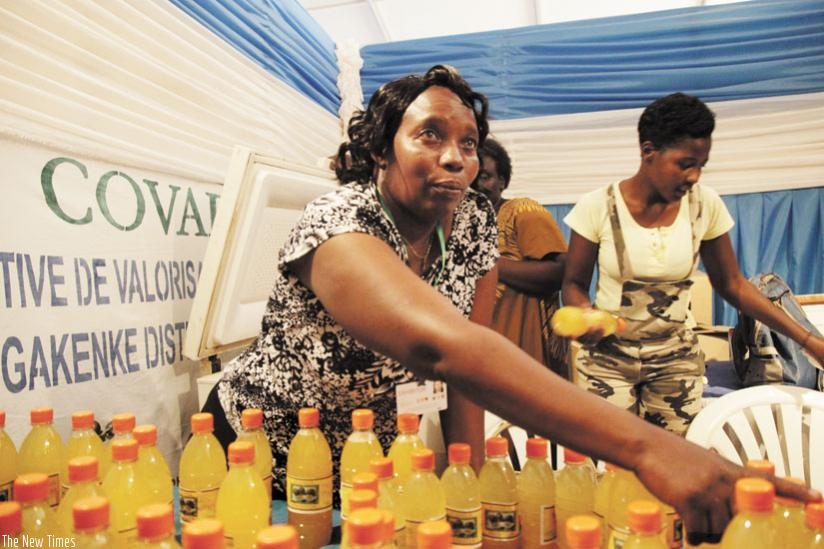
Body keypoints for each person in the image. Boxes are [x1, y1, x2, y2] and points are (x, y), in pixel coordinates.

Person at [203, 68, 818, 545]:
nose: (455, 157)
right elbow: (440, 348)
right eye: (429, 135)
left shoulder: (469, 220)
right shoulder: (337, 224)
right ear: (381, 151)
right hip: (267, 453)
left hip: (373, 458)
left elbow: (468, 366)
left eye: (468, 143)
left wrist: (462, 475)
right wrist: (652, 447)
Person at [562, 92, 824, 436]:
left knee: (676, 463)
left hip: (675, 359)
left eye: (701, 165)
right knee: (610, 463)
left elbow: (733, 284)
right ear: (648, 151)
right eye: (685, 163)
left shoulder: (705, 206)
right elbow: (573, 284)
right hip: (609, 360)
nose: (694, 176)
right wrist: (585, 314)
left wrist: (808, 340)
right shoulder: (597, 206)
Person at [472, 138, 569, 378]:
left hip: (527, 360)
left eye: (485, 176)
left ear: (502, 182)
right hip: (479, 360)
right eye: (471, 177)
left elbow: (559, 272)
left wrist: (486, 262)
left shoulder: (522, 211)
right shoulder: (456, 228)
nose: (476, 185)